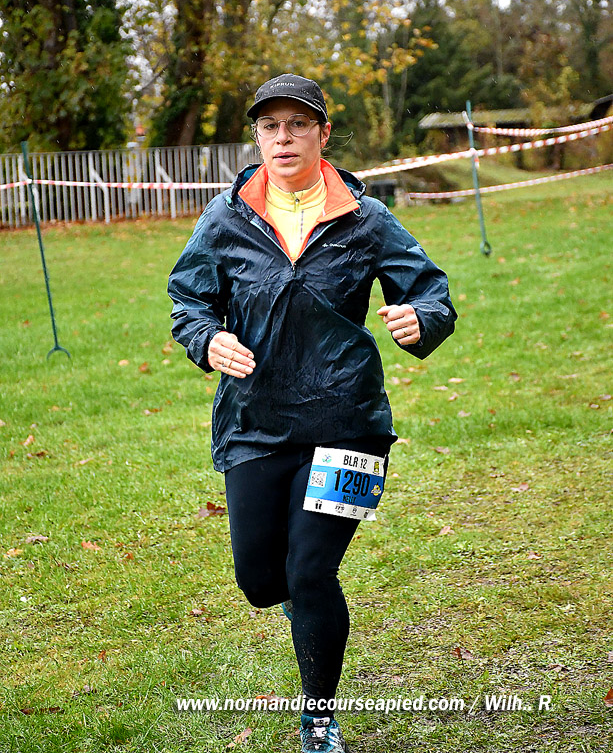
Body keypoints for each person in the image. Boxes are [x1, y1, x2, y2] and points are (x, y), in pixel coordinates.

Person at [168, 73, 457, 753]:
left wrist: (422, 318)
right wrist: (206, 339)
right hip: (256, 422)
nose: (284, 137)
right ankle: (304, 605)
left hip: (347, 421)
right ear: (257, 137)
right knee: (260, 581)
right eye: (270, 126)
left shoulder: (366, 218)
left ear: (322, 134)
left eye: (298, 124)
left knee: (310, 571)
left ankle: (319, 718)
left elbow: (431, 292)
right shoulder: (226, 218)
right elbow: (189, 298)